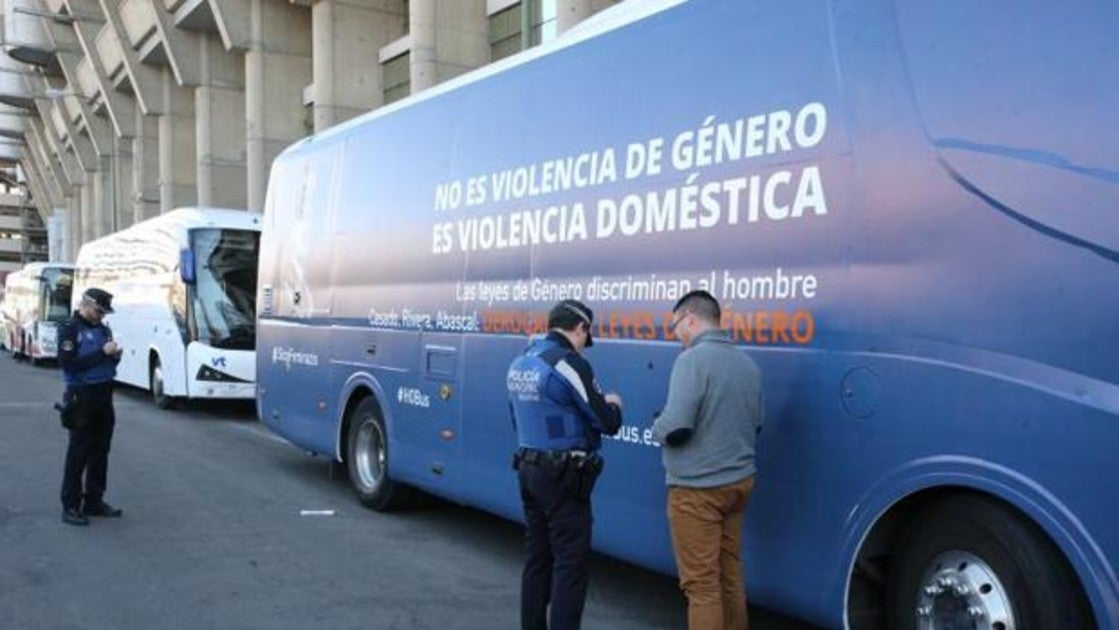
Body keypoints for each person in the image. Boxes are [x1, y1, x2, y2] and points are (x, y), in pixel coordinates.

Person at [651, 290, 764, 630]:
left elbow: (676, 424)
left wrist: (657, 426)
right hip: (738, 484)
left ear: (690, 319)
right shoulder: (747, 363)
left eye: (675, 327)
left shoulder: (692, 360)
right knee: (730, 575)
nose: (676, 336)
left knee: (701, 587)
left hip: (697, 490)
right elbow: (757, 422)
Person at [507, 299, 623, 630]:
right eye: (587, 337)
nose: (585, 348)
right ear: (581, 328)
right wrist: (614, 404)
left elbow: (517, 419)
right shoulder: (568, 362)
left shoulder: (521, 361)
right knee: (570, 565)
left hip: (528, 468)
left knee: (537, 559)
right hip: (562, 477)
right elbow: (605, 420)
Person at [58, 288, 124, 526]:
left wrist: (115, 356)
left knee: (101, 450)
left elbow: (107, 358)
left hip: (104, 393)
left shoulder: (103, 329)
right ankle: (71, 505)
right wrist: (101, 353)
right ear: (85, 305)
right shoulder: (70, 328)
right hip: (81, 395)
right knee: (79, 452)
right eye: (98, 310)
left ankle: (94, 500)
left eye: (104, 312)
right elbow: (69, 364)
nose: (101, 316)